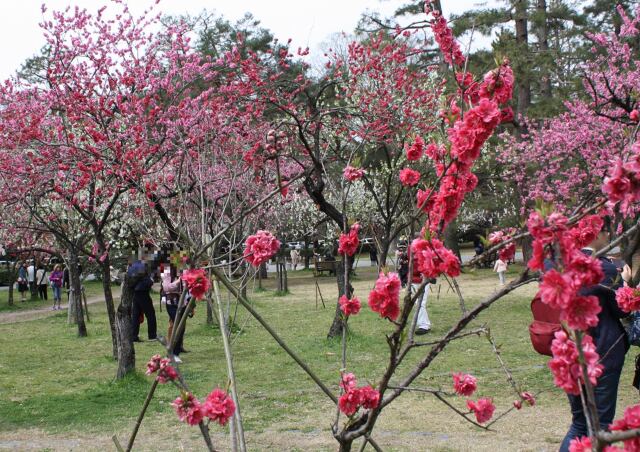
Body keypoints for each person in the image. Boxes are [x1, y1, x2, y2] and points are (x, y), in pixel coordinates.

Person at [558, 221, 631, 451]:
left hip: (570, 352)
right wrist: (627, 282)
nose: (609, 235)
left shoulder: (563, 265)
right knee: (602, 423)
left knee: (579, 424)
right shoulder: (604, 268)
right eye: (607, 231)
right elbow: (622, 308)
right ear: (596, 233)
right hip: (603, 351)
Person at [128, 250, 158, 342]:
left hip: (135, 292)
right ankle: (152, 335)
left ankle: (134, 336)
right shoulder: (143, 266)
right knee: (150, 313)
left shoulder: (132, 266)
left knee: (135, 314)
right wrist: (151, 281)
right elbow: (147, 280)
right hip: (142, 291)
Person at [162, 264, 187, 362]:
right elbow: (167, 287)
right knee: (176, 326)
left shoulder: (184, 271)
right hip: (171, 303)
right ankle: (172, 353)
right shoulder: (167, 271)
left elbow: (187, 286)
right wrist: (178, 281)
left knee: (182, 327)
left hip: (183, 303)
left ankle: (176, 352)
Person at [410, 261, 432, 335]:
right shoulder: (410, 249)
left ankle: (424, 325)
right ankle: (424, 324)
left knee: (421, 303)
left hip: (423, 278)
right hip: (413, 279)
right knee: (417, 303)